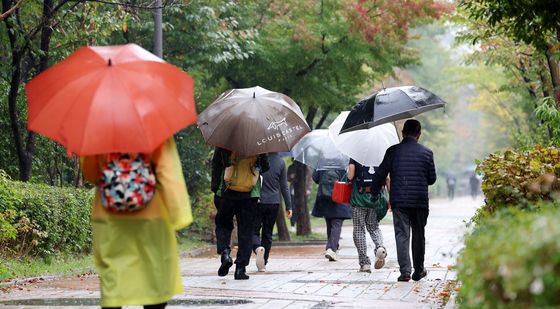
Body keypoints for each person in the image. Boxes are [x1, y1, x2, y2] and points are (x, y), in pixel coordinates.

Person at [81, 138, 192, 309]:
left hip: (109, 216)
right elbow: (167, 172)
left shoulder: (98, 131)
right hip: (151, 215)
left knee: (114, 278)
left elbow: (91, 173)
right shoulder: (154, 129)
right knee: (154, 277)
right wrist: (177, 215)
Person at [370, 119, 436, 282]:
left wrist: (373, 191)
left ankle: (405, 272)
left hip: (399, 201)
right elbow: (432, 179)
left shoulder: (393, 151)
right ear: (419, 134)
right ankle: (419, 270)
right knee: (419, 235)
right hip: (420, 201)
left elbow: (381, 173)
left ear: (403, 133)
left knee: (402, 235)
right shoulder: (427, 153)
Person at [212, 147, 269, 280]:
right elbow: (265, 167)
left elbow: (216, 164)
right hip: (250, 194)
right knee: (246, 231)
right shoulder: (259, 142)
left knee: (223, 224)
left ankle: (225, 253)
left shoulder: (224, 140)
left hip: (226, 191)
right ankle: (240, 269)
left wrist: (215, 189)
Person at [252, 152, 293, 272]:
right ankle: (263, 262)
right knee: (268, 233)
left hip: (258, 200)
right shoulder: (281, 162)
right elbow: (284, 186)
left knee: (254, 230)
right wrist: (289, 206)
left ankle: (257, 248)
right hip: (274, 202)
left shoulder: (257, 159)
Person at [347, 158, 388, 272]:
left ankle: (364, 263)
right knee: (374, 227)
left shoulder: (355, 155)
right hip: (375, 198)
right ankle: (380, 247)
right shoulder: (380, 155)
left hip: (359, 199)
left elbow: (350, 176)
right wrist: (391, 199)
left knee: (359, 230)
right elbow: (387, 178)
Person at [311, 168, 352, 261]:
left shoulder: (322, 163)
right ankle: (331, 248)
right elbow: (349, 178)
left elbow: (315, 178)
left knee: (329, 224)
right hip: (339, 196)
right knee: (336, 224)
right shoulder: (343, 164)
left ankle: (333, 249)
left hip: (325, 198)